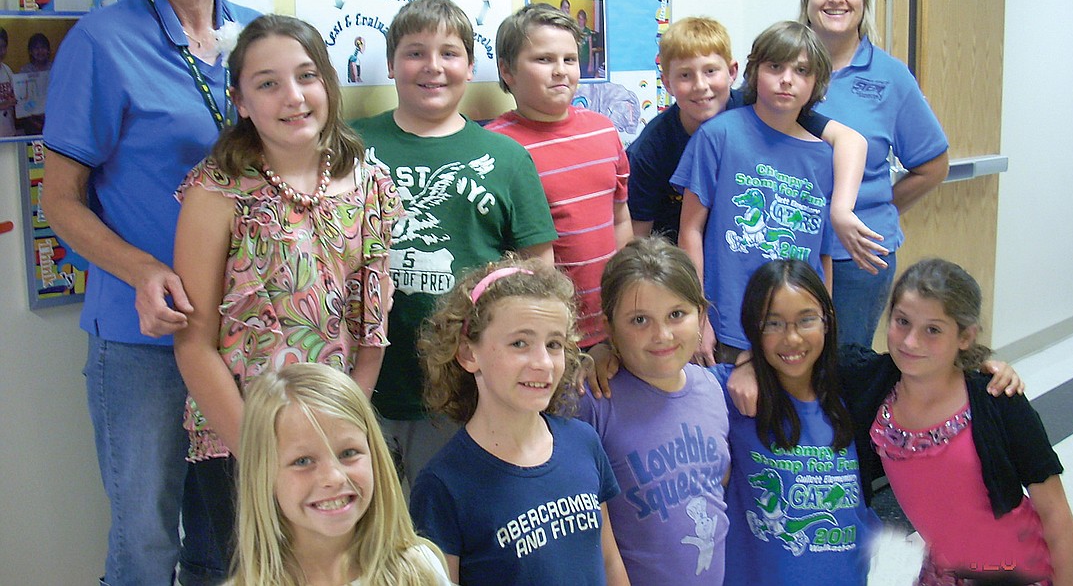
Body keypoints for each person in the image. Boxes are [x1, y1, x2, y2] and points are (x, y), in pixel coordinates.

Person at [40, 0, 259, 582]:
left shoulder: (257, 39)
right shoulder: (102, 42)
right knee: (145, 544)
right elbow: (59, 200)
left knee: (227, 544)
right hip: (145, 337)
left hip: (241, 334)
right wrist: (141, 270)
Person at [173, 14, 400, 577]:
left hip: (335, 444)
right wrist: (265, 458)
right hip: (240, 440)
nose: (293, 97)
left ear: (328, 82)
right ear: (241, 101)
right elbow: (194, 345)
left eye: (306, 76)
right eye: (268, 83)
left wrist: (338, 440)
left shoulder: (368, 182)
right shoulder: (216, 190)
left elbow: (371, 332)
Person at [352, 0, 557, 488]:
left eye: (449, 53)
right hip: (362, 380)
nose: (433, 66)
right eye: (415, 52)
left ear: (470, 66)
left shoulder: (506, 158)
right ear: (391, 65)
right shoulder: (349, 146)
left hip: (466, 391)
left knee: (445, 523)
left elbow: (539, 274)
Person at [842, 259, 1073, 585]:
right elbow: (814, 356)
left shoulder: (996, 398)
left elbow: (1055, 514)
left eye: (933, 330)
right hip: (943, 571)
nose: (910, 341)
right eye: (902, 321)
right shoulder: (873, 382)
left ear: (965, 336)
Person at [410, 257, 629, 585]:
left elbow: (609, 561)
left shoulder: (583, 441)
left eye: (553, 344)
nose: (543, 363)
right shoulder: (442, 485)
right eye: (519, 343)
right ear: (468, 353)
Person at [799, 0, 949, 347]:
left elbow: (933, 166)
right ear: (807, 0)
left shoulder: (890, 76)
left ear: (863, 0)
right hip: (786, 243)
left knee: (845, 364)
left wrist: (876, 211)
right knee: (786, 363)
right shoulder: (782, 68)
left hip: (857, 258)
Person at [627, 16, 872, 251]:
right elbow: (638, 238)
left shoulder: (760, 105)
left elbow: (850, 140)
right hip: (680, 260)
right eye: (685, 75)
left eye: (710, 71)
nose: (701, 86)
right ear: (667, 84)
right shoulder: (650, 150)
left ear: (732, 72)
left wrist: (841, 210)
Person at [672, 21, 836, 362]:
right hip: (728, 326)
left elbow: (823, 254)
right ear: (753, 71)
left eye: (801, 70)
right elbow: (690, 231)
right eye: (775, 66)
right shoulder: (718, 136)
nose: (787, 79)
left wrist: (824, 325)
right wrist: (698, 314)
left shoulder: (824, 157)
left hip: (796, 332)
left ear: (817, 82)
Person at [713, 259, 879, 585]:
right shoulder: (730, 392)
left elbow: (927, 370)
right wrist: (608, 356)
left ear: (827, 321)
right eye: (773, 323)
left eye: (806, 320)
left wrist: (977, 368)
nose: (792, 338)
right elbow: (661, 381)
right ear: (753, 327)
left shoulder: (853, 386)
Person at [578, 236, 730, 584]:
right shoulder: (593, 401)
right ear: (609, 326)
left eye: (676, 314)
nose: (662, 335)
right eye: (639, 320)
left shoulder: (711, 388)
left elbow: (718, 482)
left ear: (700, 315)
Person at [487, 3, 631, 349]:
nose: (560, 71)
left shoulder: (603, 131)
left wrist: (625, 304)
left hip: (612, 327)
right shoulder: (494, 147)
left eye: (569, 59)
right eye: (544, 59)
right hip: (541, 336)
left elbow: (620, 219)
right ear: (507, 71)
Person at [228, 363, 449, 586]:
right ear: (264, 476)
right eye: (303, 461)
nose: (334, 478)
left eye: (348, 453)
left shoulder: (419, 571)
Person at [0, 28, 15, 137]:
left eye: (4, 47)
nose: (1, 51)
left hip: (9, 132)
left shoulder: (7, 70)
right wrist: (3, 105)